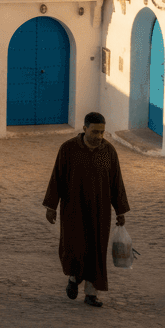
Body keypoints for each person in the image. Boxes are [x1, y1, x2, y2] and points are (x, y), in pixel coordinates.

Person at [42, 113, 130, 307]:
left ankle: (91, 293)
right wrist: (51, 206)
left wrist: (120, 210)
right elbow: (57, 177)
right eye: (95, 132)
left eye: (102, 132)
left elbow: (116, 182)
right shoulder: (68, 149)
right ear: (84, 129)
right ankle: (74, 278)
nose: (99, 136)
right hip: (73, 209)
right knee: (74, 247)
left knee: (96, 251)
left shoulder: (108, 151)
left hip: (100, 212)